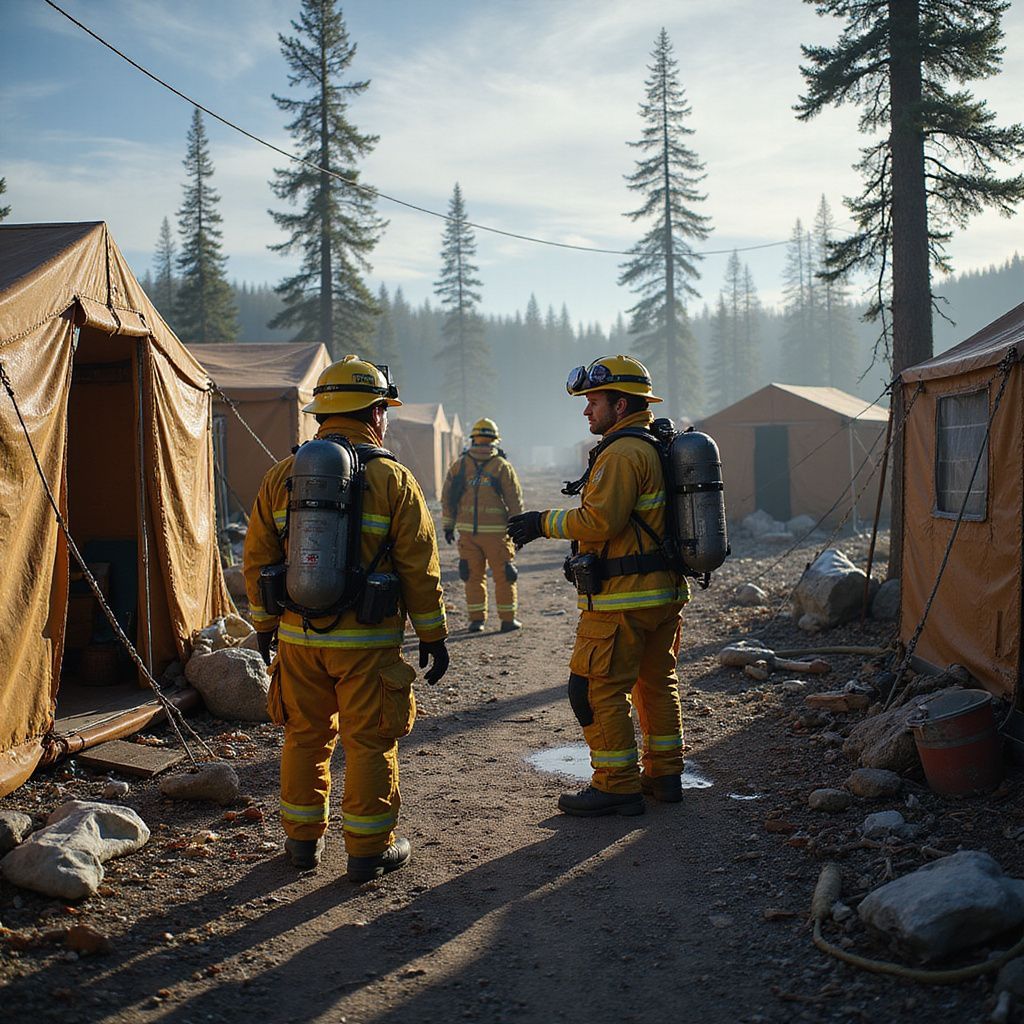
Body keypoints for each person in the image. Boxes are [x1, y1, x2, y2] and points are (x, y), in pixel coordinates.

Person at [243, 355, 449, 882]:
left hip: (297, 638)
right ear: (375, 413)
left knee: (304, 737)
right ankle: (367, 851)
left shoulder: (281, 476)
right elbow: (418, 566)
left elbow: (258, 559)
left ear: (321, 416)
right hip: (369, 646)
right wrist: (433, 633)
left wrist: (265, 626)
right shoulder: (395, 480)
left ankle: (301, 845)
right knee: (369, 741)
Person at [507, 356, 688, 817]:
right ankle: (664, 775)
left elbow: (601, 520)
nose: (587, 411)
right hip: (662, 593)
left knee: (592, 689)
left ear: (619, 402)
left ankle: (616, 783)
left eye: (593, 402)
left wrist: (541, 521)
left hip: (624, 599)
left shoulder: (624, 452)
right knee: (655, 683)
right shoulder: (650, 444)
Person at [441, 417, 524, 633]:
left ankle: (476, 621)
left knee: (472, 577)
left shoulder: (459, 465)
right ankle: (507, 620)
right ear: (495, 440)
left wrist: (448, 525)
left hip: (468, 534)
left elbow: (447, 497)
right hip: (497, 535)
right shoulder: (502, 467)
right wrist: (519, 529)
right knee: (504, 576)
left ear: (474, 439)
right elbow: (514, 500)